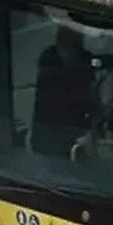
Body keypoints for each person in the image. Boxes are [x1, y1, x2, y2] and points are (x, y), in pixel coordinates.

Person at [30, 26, 97, 157]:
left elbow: (91, 93)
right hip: (51, 132)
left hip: (72, 131)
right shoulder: (49, 61)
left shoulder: (83, 60)